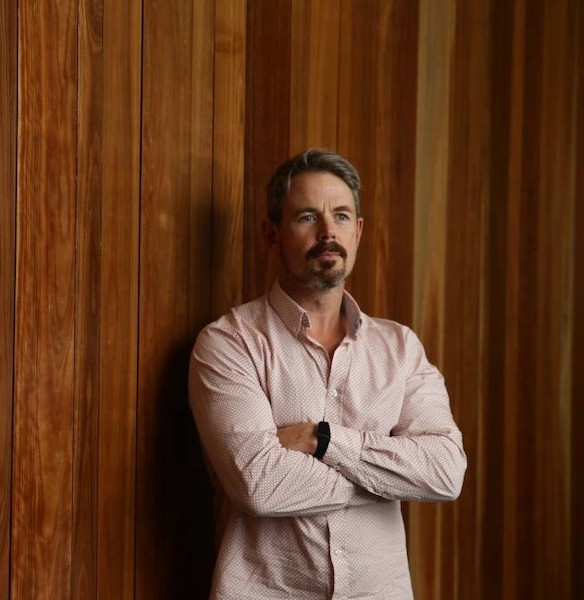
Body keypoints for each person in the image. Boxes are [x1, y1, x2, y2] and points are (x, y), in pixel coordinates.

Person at [188, 149, 467, 599]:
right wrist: (389, 475)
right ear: (271, 233)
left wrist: (323, 440)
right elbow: (260, 485)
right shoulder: (230, 343)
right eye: (306, 217)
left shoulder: (400, 349)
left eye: (340, 216)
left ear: (357, 232)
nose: (327, 232)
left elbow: (445, 471)